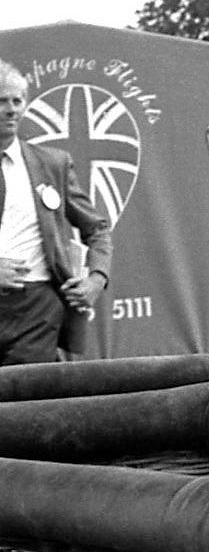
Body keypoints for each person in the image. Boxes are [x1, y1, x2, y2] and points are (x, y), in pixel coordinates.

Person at [0, 59, 112, 365]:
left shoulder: (52, 164)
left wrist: (96, 279)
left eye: (17, 101)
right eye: (1, 101)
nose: (11, 110)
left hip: (37, 310)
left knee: (30, 404)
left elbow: (97, 228)